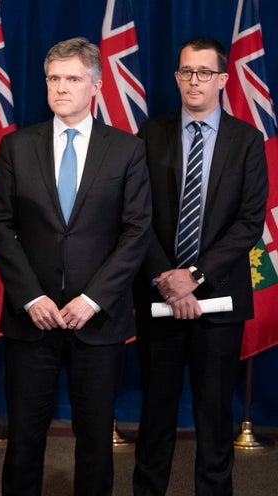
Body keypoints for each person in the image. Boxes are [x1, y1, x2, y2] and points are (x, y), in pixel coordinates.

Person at [0, 37, 152, 495]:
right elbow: (1, 227)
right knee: (24, 436)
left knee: (96, 438)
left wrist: (95, 298)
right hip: (31, 318)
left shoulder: (125, 150)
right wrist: (30, 296)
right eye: (54, 78)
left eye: (73, 79)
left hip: (97, 321)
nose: (62, 88)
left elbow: (136, 232)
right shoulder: (16, 147)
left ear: (96, 86)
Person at [132, 37, 268, 496]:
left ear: (223, 80)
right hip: (158, 297)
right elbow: (137, 217)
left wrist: (194, 277)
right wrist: (167, 280)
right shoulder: (150, 135)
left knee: (214, 418)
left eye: (204, 72)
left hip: (221, 301)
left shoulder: (248, 141)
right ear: (176, 77)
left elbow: (249, 222)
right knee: (156, 414)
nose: (195, 81)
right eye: (187, 71)